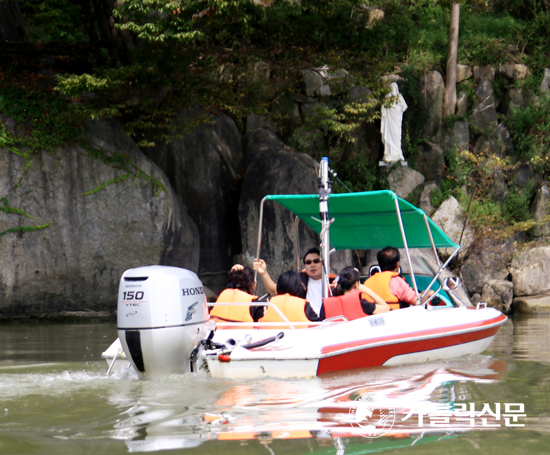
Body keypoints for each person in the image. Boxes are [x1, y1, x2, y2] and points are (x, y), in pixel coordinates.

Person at [254, 247, 328, 316]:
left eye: (316, 261)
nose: (312, 265)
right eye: (308, 262)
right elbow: (274, 290)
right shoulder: (299, 280)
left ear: (323, 263)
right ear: (305, 266)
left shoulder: (332, 281)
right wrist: (264, 273)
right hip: (305, 320)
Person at [364, 247, 434, 308]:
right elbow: (417, 301)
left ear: (379, 265)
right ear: (397, 265)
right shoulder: (397, 282)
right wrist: (428, 293)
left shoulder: (367, 282)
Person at [314, 267, 390, 321]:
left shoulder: (326, 305)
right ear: (356, 284)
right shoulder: (362, 304)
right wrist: (368, 291)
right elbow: (386, 308)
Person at [380, 82, 408, 163]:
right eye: (392, 88)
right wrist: (384, 112)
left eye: (395, 88)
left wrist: (397, 108)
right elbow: (383, 108)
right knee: (388, 134)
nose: (393, 90)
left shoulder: (399, 96)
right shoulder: (387, 97)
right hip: (389, 120)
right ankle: (388, 153)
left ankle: (398, 153)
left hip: (396, 119)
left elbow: (405, 106)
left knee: (396, 134)